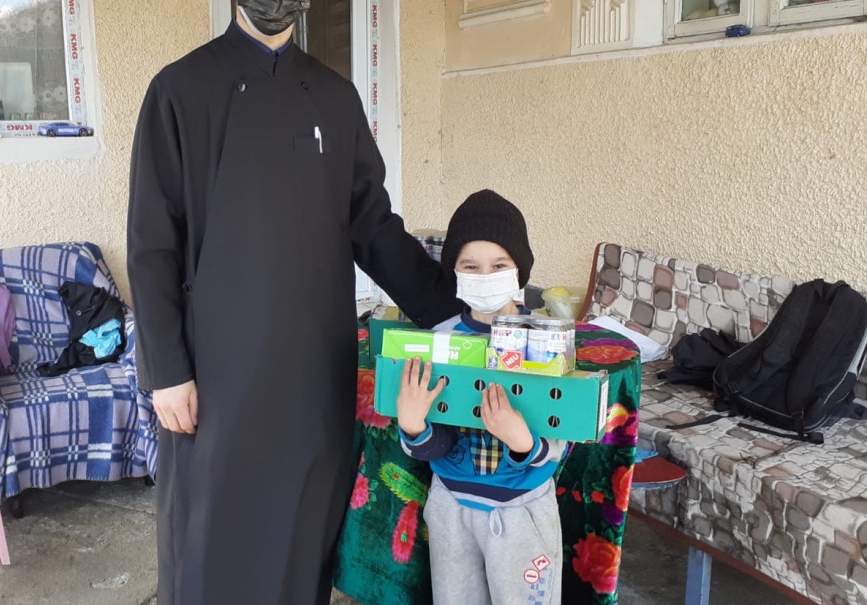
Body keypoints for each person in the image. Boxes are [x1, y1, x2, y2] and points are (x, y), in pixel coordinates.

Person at [125, 1, 462, 603]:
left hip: (315, 378)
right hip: (216, 382)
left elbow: (374, 227)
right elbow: (152, 246)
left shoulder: (335, 97)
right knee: (208, 549)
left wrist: (455, 312)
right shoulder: (178, 91)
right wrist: (167, 371)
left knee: (301, 547)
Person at [396, 190, 565, 605]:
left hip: (522, 510)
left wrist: (523, 442)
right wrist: (414, 427)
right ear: (454, 271)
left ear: (519, 270)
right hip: (451, 506)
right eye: (470, 266)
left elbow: (564, 429)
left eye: (499, 265)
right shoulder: (440, 341)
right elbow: (437, 439)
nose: (485, 276)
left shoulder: (546, 342)